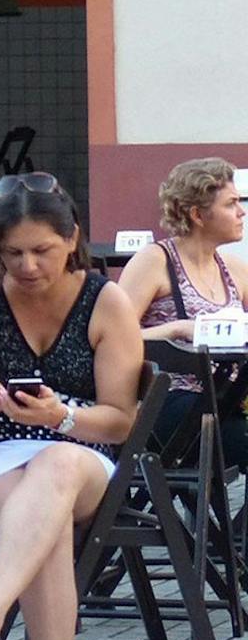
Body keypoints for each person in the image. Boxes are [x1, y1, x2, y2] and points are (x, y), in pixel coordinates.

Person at [0, 175, 141, 640]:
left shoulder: (103, 300)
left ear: (73, 238)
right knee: (44, 520)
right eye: (13, 253)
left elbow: (120, 418)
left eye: (43, 250)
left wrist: (60, 418)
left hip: (80, 448)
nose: (28, 266)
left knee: (56, 469)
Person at [115, 157, 248, 469]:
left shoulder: (234, 269)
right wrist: (175, 329)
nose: (242, 212)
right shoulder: (154, 261)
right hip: (169, 402)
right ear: (197, 214)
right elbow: (110, 337)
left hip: (226, 398)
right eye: (231, 204)